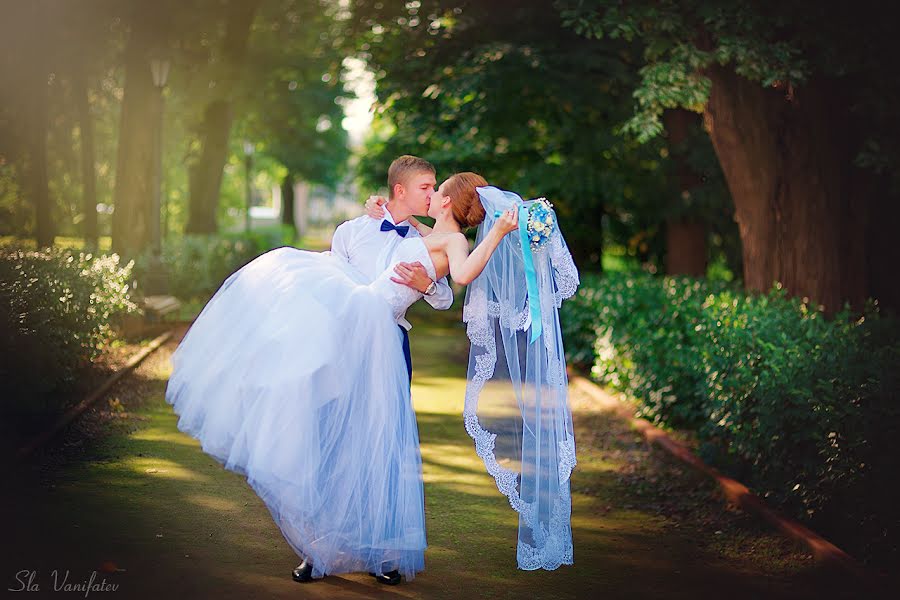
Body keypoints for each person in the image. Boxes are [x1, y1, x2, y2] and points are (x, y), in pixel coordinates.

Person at [164, 170, 518, 585]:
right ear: (402, 192)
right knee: (330, 431)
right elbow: (414, 233)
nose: (432, 194)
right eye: (427, 187)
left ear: (446, 203)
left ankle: (381, 551)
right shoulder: (386, 229)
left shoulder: (453, 239)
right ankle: (319, 547)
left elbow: (458, 277)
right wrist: (382, 212)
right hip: (357, 319)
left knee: (379, 441)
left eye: (437, 190)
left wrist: (497, 232)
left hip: (379, 333)